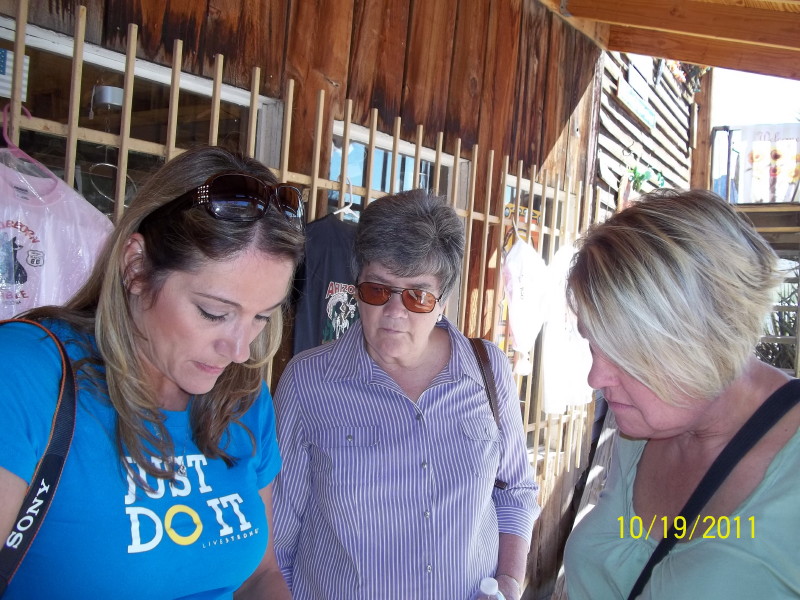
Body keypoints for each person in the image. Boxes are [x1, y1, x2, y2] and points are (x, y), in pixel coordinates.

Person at [0, 146, 305, 598]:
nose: (240, 351)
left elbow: (258, 576)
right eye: (213, 312)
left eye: (262, 316)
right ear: (136, 266)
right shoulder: (26, 371)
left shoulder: (241, 395)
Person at [272, 189, 540, 600]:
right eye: (378, 290)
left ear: (443, 300)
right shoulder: (309, 383)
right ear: (355, 283)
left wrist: (508, 583)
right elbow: (278, 541)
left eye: (417, 295)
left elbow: (515, 491)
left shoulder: (488, 371)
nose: (395, 314)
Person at [563, 189, 800, 599]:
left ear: (708, 338)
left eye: (626, 353)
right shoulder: (640, 430)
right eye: (593, 345)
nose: (596, 377)